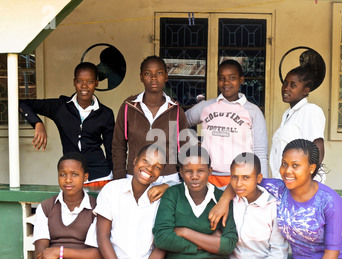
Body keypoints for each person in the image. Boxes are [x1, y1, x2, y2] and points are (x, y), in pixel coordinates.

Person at [262, 139, 342, 259]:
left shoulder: (329, 201)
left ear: (311, 168)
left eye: (295, 165)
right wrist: (223, 202)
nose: (287, 171)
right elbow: (245, 180)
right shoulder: (279, 189)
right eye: (284, 164)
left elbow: (332, 254)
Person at [86, 144, 171, 259]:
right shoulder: (112, 190)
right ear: (134, 160)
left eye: (157, 166)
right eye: (145, 161)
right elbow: (102, 237)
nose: (149, 168)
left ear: (161, 173)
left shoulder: (164, 199)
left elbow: (162, 244)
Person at [152, 145, 238, 259]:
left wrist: (185, 232)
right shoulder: (173, 195)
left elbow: (229, 244)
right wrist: (211, 241)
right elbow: (162, 238)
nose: (195, 176)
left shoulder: (221, 200)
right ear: (181, 173)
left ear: (210, 171)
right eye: (188, 171)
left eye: (201, 170)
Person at [19, 62, 115, 187]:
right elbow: (22, 103)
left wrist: (118, 180)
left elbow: (111, 149)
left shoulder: (105, 113)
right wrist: (38, 123)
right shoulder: (60, 107)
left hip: (101, 177)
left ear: (96, 83)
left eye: (90, 82)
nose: (84, 86)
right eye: (80, 81)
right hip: (72, 178)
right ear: (74, 82)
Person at [23, 152, 103, 259]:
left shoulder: (97, 208)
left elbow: (97, 255)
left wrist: (59, 252)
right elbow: (41, 253)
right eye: (62, 174)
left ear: (85, 177)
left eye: (74, 174)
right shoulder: (46, 207)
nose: (68, 180)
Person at [112, 55, 190, 202]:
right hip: (134, 176)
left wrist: (181, 179)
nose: (153, 78)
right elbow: (118, 145)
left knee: (164, 221)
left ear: (166, 76)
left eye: (159, 73)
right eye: (148, 73)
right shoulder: (129, 106)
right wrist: (120, 178)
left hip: (167, 179)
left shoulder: (175, 109)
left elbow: (184, 147)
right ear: (141, 77)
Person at [185, 59, 268, 188]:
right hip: (208, 178)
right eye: (221, 78)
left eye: (232, 78)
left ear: (241, 80)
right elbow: (180, 122)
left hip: (241, 179)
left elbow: (260, 152)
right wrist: (194, 144)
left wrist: (262, 185)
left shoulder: (253, 111)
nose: (226, 83)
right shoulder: (206, 107)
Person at [226, 153, 288, 259]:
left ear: (258, 179)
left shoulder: (273, 207)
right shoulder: (230, 200)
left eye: (246, 177)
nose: (239, 183)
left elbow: (278, 252)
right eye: (235, 177)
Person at [269, 66, 326, 182]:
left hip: (301, 185)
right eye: (285, 84)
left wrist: (308, 180)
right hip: (286, 182)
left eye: (293, 85)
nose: (286, 88)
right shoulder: (287, 114)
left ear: (306, 90)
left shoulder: (310, 110)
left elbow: (318, 145)